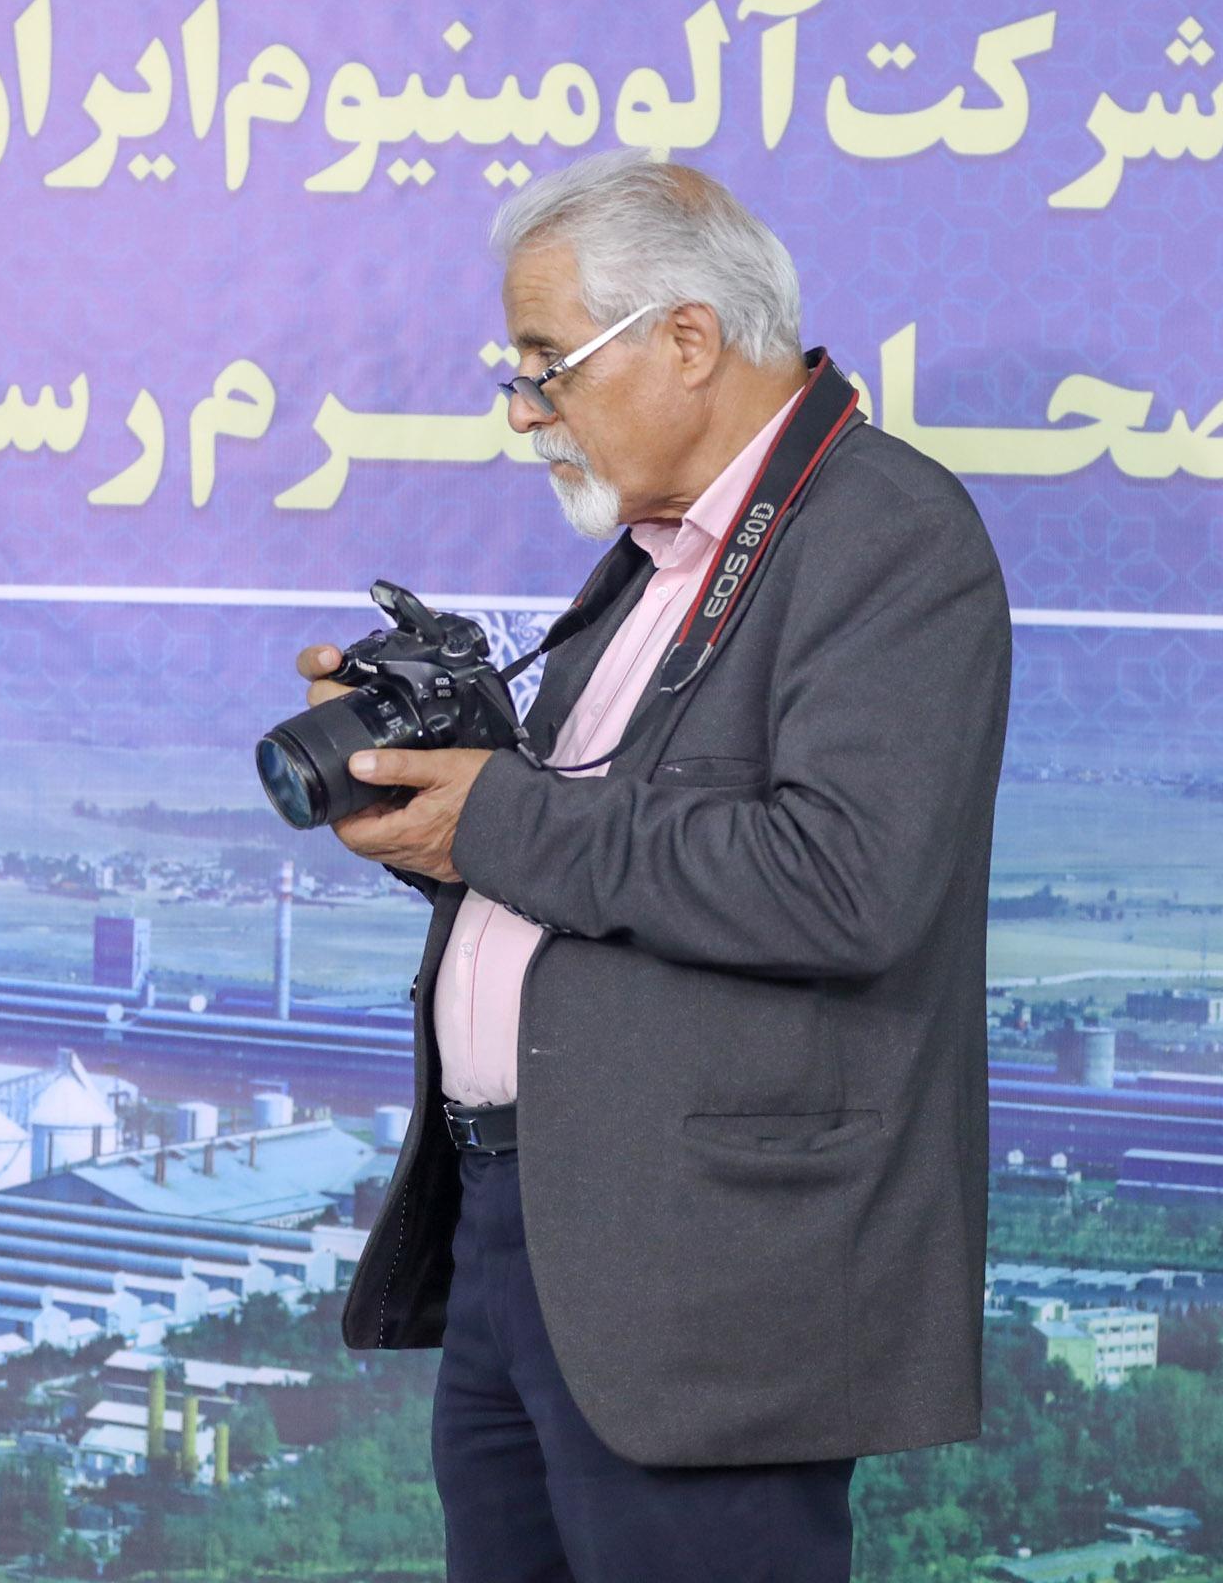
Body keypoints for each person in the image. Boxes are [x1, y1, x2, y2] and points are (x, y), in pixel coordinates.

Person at [298, 145, 1011, 1583]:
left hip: (705, 1279)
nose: (524, 414)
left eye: (547, 366)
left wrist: (496, 819)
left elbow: (846, 882)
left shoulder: (886, 534)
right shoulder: (660, 551)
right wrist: (435, 828)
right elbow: (608, 868)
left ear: (688, 338)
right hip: (526, 1226)